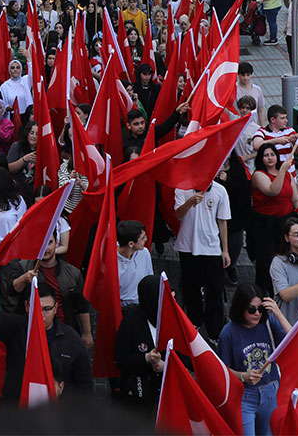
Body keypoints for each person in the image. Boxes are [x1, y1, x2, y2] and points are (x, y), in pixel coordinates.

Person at [0, 261, 92, 402]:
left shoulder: (71, 339)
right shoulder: (16, 328)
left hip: (59, 417)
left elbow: (84, 385)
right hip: (18, 411)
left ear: (56, 308)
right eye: (36, 308)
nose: (41, 314)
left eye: (47, 309)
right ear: (26, 306)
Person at [217, 284, 292, 436]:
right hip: (244, 396)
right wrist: (243, 376)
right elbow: (221, 370)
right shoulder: (228, 333)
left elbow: (294, 342)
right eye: (252, 309)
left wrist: (278, 314)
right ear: (240, 308)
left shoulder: (269, 323)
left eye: (261, 309)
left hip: (271, 392)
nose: (257, 314)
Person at [0, 233, 93, 345]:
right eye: (41, 244)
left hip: (62, 332)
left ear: (57, 243)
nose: (45, 248)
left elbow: (81, 306)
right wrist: (24, 279)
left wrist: (87, 332)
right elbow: (11, 290)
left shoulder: (73, 273)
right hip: (30, 333)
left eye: (49, 242)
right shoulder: (22, 267)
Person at [173, 163, 232, 337]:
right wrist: (191, 201)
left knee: (214, 290)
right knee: (191, 287)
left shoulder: (220, 191)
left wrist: (225, 250)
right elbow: (178, 215)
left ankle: (215, 330)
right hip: (187, 247)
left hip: (212, 248)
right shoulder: (182, 188)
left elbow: (223, 221)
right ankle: (194, 322)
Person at [249, 143, 298, 293]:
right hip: (265, 226)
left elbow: (296, 200)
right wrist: (283, 170)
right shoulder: (259, 175)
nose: (270, 158)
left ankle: (283, 292)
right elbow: (273, 191)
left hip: (285, 223)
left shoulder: (287, 175)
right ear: (261, 158)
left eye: (272, 154)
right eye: (266, 155)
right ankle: (263, 295)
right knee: (267, 262)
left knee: (287, 260)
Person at [113, 274, 165, 411]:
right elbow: (120, 360)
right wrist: (146, 358)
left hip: (166, 393)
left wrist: (165, 364)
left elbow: (185, 354)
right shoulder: (130, 323)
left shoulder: (172, 320)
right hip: (138, 395)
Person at [116, 219, 154, 308]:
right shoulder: (112, 263)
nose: (146, 239)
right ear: (131, 244)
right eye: (142, 238)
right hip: (122, 307)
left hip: (143, 303)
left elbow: (149, 277)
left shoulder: (144, 253)